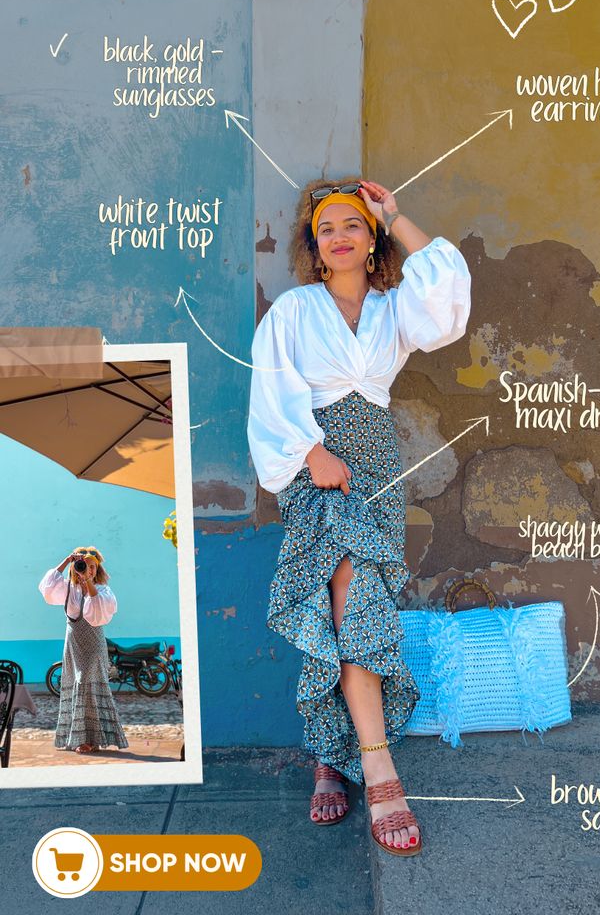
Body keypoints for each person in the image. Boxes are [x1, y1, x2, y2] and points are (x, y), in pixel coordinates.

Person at [247, 178, 471, 856]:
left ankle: (329, 752)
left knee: (341, 612)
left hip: (374, 466)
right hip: (312, 466)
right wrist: (311, 451)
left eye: (353, 225)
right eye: (326, 230)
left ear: (369, 241)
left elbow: (448, 304)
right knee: (351, 598)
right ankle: (380, 773)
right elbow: (269, 390)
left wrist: (397, 216)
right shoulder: (292, 310)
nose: (339, 236)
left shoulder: (393, 309)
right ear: (313, 250)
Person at [39, 547, 128, 754]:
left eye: (92, 567)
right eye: (83, 565)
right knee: (75, 682)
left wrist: (87, 581)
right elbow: (47, 588)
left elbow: (98, 613)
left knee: (87, 683)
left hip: (93, 642)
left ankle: (91, 740)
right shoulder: (68, 587)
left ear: (97, 570)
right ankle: (77, 737)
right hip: (72, 642)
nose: (87, 569)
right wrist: (67, 560)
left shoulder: (102, 590)